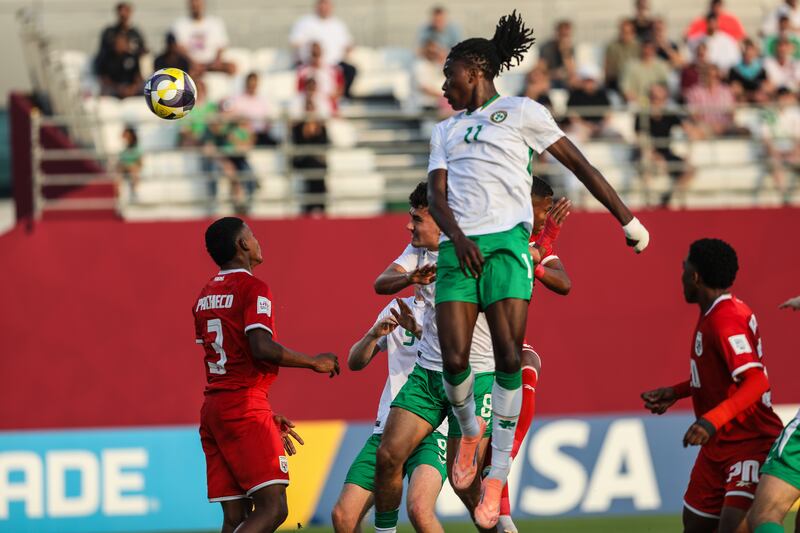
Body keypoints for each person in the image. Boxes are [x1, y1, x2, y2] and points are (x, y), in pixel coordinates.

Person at [427, 11, 649, 529]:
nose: (444, 85)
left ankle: (497, 476)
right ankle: (470, 432)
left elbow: (581, 166)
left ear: (476, 69)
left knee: (508, 356)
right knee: (454, 359)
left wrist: (628, 219)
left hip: (507, 246)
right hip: (459, 249)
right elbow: (437, 197)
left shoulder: (523, 111)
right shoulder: (444, 131)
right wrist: (456, 238)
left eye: (450, 73)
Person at [194, 217, 339, 533]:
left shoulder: (204, 296)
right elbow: (260, 347)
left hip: (216, 409)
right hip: (244, 407)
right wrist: (314, 362)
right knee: (273, 508)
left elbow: (231, 360)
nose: (258, 241)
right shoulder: (252, 287)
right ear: (243, 244)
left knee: (235, 519)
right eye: (253, 235)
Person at [372, 183, 497, 533]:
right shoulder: (419, 253)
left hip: (475, 378)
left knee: (465, 483)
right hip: (427, 376)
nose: (409, 226)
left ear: (442, 221)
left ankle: (500, 526)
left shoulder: (473, 255)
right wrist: (411, 278)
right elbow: (381, 283)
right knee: (388, 455)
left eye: (416, 219)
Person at [641, 238, 783, 533]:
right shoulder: (716, 315)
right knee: (693, 526)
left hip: (748, 442)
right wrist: (677, 392)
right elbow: (721, 379)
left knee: (733, 528)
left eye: (684, 268)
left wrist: (711, 421)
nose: (680, 275)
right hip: (716, 449)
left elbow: (756, 381)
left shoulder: (726, 319)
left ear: (695, 276)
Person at [331, 294, 448, 533]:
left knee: (419, 510)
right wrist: (373, 335)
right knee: (343, 517)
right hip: (389, 425)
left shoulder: (453, 305)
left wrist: (416, 330)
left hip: (433, 426)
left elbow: (459, 361)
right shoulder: (396, 306)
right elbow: (354, 362)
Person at [497, 177, 572, 532]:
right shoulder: (498, 233)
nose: (546, 216)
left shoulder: (532, 242)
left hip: (508, 344)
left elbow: (564, 283)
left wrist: (539, 258)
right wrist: (543, 243)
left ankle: (502, 474)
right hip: (477, 343)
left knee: (529, 363)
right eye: (543, 208)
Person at [634, 84, 695, 207]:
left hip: (666, 153)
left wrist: (689, 150)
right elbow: (640, 139)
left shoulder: (669, 114)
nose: (657, 102)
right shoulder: (642, 115)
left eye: (661, 98)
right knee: (646, 166)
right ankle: (648, 202)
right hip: (647, 154)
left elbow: (688, 129)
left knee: (690, 170)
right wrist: (653, 155)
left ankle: (668, 198)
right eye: (654, 98)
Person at [289, 0, 356, 98]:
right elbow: (295, 42)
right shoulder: (305, 22)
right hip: (311, 63)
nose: (324, 9)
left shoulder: (338, 24)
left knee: (350, 71)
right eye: (322, 6)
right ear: (317, 6)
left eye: (327, 6)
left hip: (334, 63)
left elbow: (349, 43)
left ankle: (342, 98)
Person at [291, 78, 330, 214]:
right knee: (315, 167)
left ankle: (313, 207)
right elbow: (297, 145)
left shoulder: (321, 127)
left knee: (317, 167)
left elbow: (325, 144)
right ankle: (317, 207)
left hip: (315, 160)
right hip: (303, 159)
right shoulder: (298, 127)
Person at [171, 0, 235, 76]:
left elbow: (221, 46)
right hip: (190, 64)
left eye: (198, 3)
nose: (196, 6)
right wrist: (192, 62)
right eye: (193, 3)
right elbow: (179, 48)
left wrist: (217, 61)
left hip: (211, 64)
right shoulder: (180, 24)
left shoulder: (215, 22)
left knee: (232, 67)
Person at [760, 87, 800, 201]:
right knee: (775, 163)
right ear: (776, 98)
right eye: (781, 98)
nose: (783, 101)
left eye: (786, 98)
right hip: (775, 151)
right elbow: (766, 137)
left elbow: (798, 138)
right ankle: (784, 196)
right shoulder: (768, 113)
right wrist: (775, 152)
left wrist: (794, 152)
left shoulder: (795, 113)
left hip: (793, 151)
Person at [686, 65, 740, 137]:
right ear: (703, 76)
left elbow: (731, 113)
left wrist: (722, 126)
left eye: (715, 76)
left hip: (725, 126)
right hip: (704, 127)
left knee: (744, 132)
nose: (712, 78)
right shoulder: (694, 92)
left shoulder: (726, 91)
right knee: (694, 133)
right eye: (709, 75)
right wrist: (711, 126)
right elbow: (694, 115)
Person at [224, 72, 275, 146]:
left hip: (259, 135)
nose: (252, 86)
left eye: (254, 84)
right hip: (244, 135)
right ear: (246, 84)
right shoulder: (237, 99)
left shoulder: (263, 101)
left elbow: (268, 123)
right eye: (250, 83)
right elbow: (228, 115)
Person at [95, 2, 146, 71]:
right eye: (121, 11)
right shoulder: (109, 32)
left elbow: (143, 49)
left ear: (130, 13)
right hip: (112, 71)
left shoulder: (135, 33)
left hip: (131, 71)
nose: (123, 14)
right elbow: (103, 53)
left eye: (126, 11)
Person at [566, 64, 613, 139]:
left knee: (615, 134)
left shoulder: (602, 95)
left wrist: (600, 126)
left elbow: (608, 114)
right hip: (582, 127)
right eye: (587, 81)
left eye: (591, 81)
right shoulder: (575, 95)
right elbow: (573, 116)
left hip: (600, 127)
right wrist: (588, 126)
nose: (589, 84)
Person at [620, 39, 673, 106]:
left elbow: (666, 87)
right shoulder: (630, 66)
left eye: (650, 48)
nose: (647, 51)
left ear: (654, 50)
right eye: (645, 48)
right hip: (636, 104)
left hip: (659, 103)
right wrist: (638, 101)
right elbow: (625, 89)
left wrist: (657, 96)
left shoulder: (662, 65)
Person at [297, 42, 345, 115]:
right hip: (309, 108)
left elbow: (340, 89)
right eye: (314, 53)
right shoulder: (303, 71)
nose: (316, 56)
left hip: (328, 109)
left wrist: (326, 98)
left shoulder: (334, 70)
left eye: (318, 53)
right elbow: (300, 92)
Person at [96, 31, 143, 98]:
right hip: (114, 88)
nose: (120, 44)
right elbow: (104, 78)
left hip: (130, 88)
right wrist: (119, 89)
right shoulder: (107, 58)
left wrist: (133, 88)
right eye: (118, 42)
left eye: (122, 42)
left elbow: (138, 77)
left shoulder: (132, 57)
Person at [605, 19, 641, 95]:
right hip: (616, 80)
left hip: (634, 82)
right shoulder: (612, 46)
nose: (624, 35)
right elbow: (608, 66)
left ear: (633, 33)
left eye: (627, 32)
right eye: (622, 32)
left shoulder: (638, 46)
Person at [536, 20, 576, 89]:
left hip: (564, 80)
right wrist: (555, 74)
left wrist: (565, 53)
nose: (564, 38)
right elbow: (541, 69)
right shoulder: (547, 47)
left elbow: (571, 71)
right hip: (550, 79)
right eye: (563, 35)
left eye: (567, 35)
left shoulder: (570, 48)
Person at [412, 39, 448, 113]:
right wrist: (444, 96)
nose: (433, 52)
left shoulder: (437, 65)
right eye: (430, 50)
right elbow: (424, 88)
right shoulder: (419, 65)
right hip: (424, 106)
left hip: (439, 105)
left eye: (436, 50)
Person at [118, 126, 142, 202]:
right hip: (124, 167)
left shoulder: (137, 147)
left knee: (133, 169)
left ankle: (134, 192)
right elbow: (121, 160)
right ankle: (118, 195)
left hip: (133, 166)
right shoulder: (123, 146)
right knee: (118, 172)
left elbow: (140, 160)